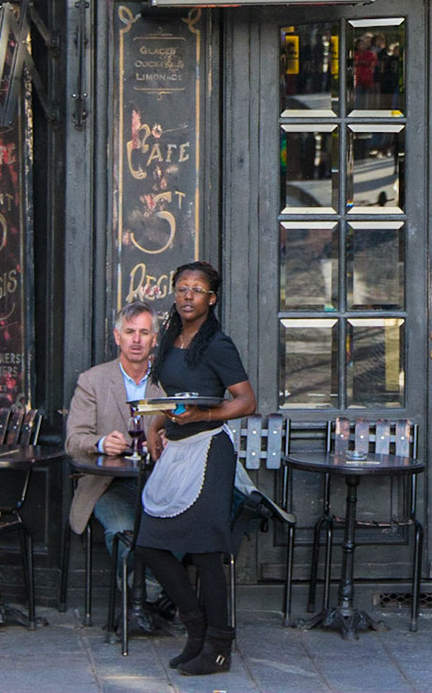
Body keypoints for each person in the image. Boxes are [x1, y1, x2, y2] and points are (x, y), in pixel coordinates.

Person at [137, 262, 257, 678]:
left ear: (212, 298)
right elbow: (170, 395)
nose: (188, 295)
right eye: (182, 288)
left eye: (198, 289)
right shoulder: (170, 338)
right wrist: (155, 423)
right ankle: (196, 627)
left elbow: (246, 402)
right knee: (149, 543)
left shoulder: (218, 345)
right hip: (177, 448)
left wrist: (204, 412)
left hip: (209, 451)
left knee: (208, 552)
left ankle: (219, 646)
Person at [65, 301, 166, 635]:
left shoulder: (167, 382)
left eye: (144, 333)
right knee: (124, 529)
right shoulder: (93, 381)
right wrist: (99, 443)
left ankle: (151, 598)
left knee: (182, 523)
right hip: (108, 483)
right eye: (129, 332)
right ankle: (149, 598)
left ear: (155, 339)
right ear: (117, 337)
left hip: (159, 481)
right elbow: (74, 440)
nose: (136, 340)